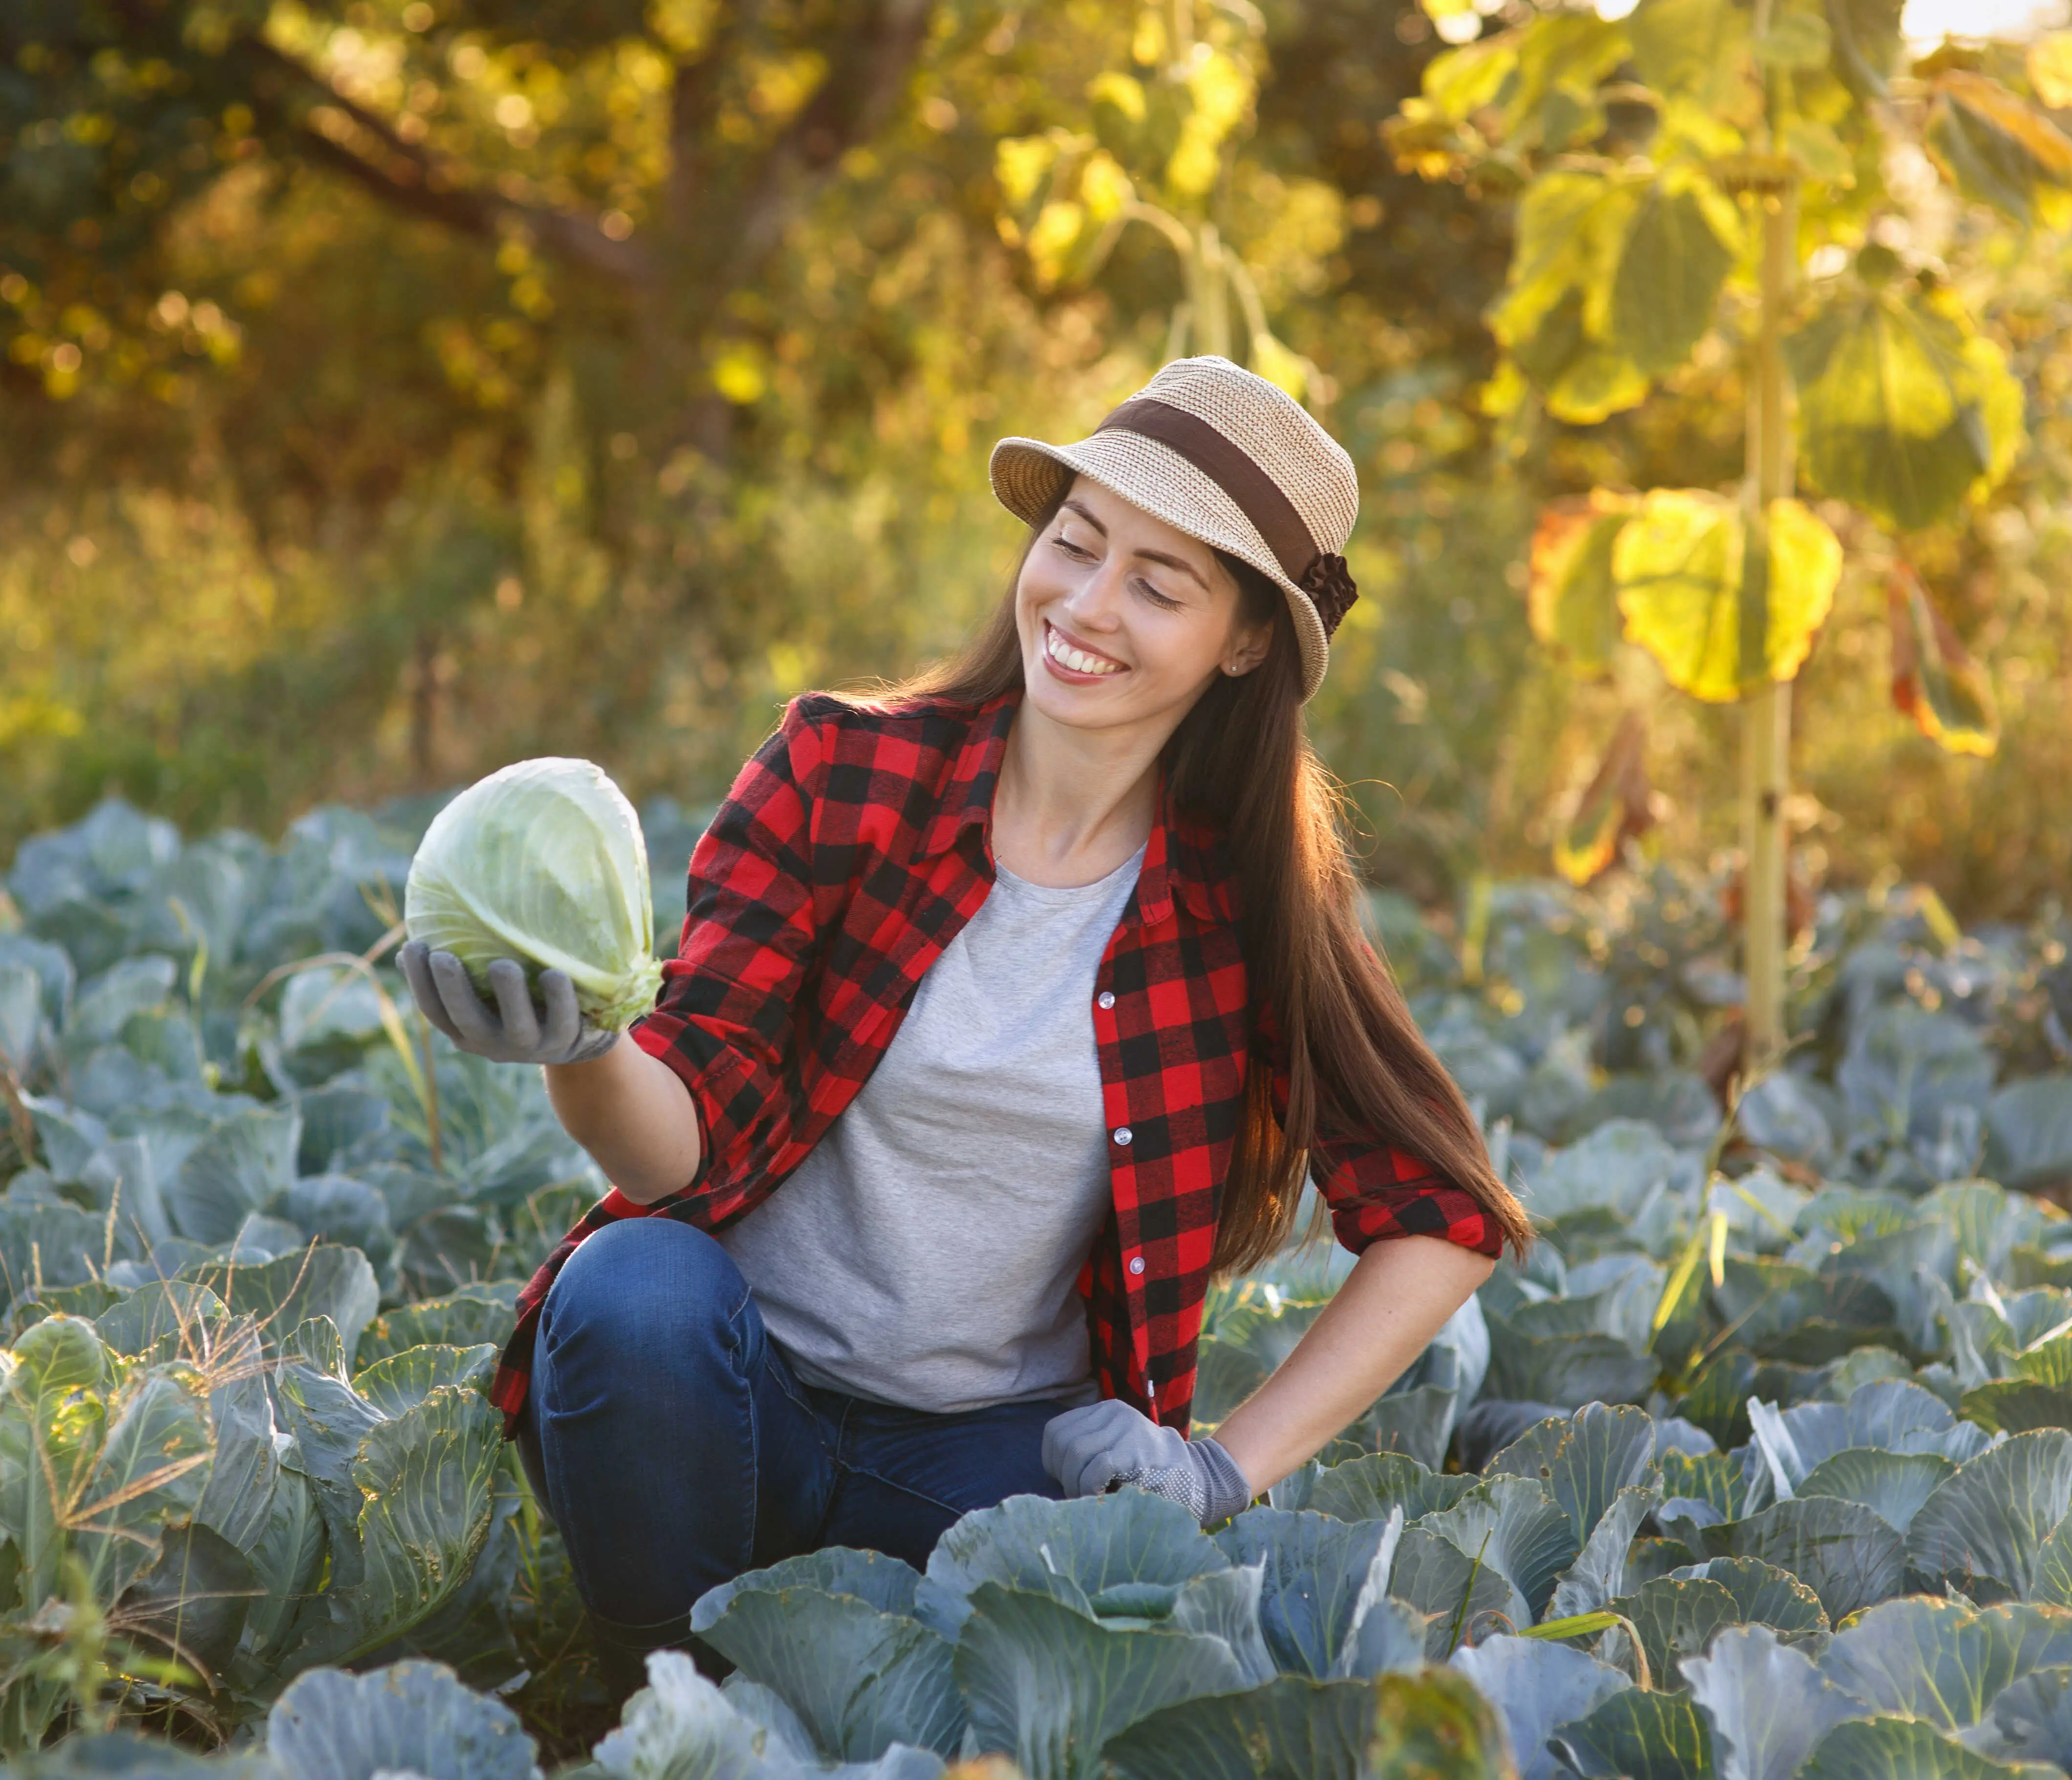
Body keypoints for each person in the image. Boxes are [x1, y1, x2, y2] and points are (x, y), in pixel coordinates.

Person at [399, 356, 1533, 1690]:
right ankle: (656, 1708)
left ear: (1242, 643)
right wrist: (585, 1054)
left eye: (1159, 586)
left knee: (1068, 1572)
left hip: (982, 1474)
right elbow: (676, 1153)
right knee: (631, 1291)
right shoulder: (842, 773)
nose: (1086, 606)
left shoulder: (1251, 902)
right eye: (1076, 543)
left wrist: (1220, 1465)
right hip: (721, 1403)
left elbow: (1444, 1221)